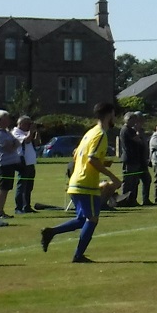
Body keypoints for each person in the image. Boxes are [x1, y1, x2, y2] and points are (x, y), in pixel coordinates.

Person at [40, 101, 120, 263]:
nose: (114, 118)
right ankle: (78, 256)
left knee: (82, 220)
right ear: (109, 114)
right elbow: (91, 159)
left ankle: (51, 232)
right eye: (113, 114)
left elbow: (77, 154)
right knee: (92, 220)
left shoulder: (89, 133)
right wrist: (112, 177)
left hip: (76, 181)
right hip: (86, 183)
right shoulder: (100, 134)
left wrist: (102, 163)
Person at [0, 109, 21, 219]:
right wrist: (14, 144)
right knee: (3, 188)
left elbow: (16, 142)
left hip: (10, 163)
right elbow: (10, 148)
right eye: (6, 119)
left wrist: (14, 143)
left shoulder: (6, 132)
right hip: (3, 164)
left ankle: (2, 210)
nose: (9, 121)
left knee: (7, 188)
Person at [118, 112, 151, 206]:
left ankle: (132, 200)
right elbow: (139, 141)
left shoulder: (130, 130)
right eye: (133, 120)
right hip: (130, 159)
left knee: (134, 181)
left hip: (135, 159)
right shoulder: (127, 130)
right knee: (129, 181)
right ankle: (124, 200)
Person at [12, 115, 39, 214]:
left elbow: (36, 143)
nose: (29, 125)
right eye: (28, 123)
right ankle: (18, 208)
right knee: (21, 186)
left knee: (29, 187)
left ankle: (26, 206)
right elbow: (26, 140)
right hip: (23, 163)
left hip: (31, 163)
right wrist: (31, 131)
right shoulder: (16, 132)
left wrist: (36, 132)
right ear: (21, 124)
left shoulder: (27, 132)